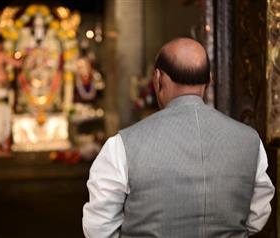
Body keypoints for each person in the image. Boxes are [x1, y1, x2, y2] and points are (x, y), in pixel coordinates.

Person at [82, 38, 275, 237]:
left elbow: (98, 228)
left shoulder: (122, 145)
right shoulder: (250, 141)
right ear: (208, 80)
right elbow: (257, 216)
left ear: (158, 78)